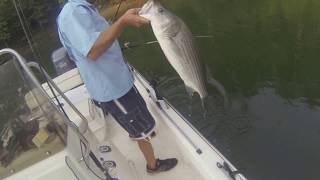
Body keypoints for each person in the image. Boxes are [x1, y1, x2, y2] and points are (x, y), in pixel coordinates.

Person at [56, 0, 178, 173]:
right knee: (138, 125)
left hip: (118, 79)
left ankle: (137, 129)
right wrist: (122, 22)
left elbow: (99, 36)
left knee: (136, 116)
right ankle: (153, 165)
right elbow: (93, 51)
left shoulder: (83, 8)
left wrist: (121, 21)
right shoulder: (73, 13)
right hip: (112, 87)